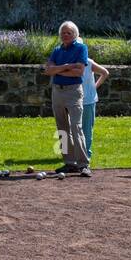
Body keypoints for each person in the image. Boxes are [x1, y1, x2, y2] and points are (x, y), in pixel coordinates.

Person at [44, 21, 92, 176]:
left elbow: (79, 72)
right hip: (57, 91)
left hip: (73, 92)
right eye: (63, 33)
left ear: (75, 35)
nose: (65, 35)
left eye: (68, 33)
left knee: (76, 127)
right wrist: (67, 66)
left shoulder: (81, 48)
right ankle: (69, 162)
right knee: (62, 129)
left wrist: (58, 70)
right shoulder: (57, 50)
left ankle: (83, 164)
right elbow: (48, 70)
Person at [80, 55, 109, 164]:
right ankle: (71, 154)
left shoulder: (88, 62)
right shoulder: (67, 60)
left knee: (86, 129)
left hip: (87, 100)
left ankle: (86, 154)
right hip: (73, 100)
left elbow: (105, 73)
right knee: (72, 129)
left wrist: (94, 87)